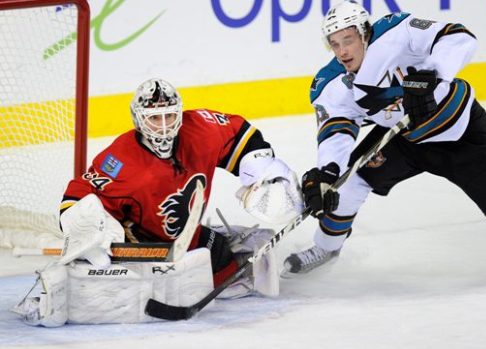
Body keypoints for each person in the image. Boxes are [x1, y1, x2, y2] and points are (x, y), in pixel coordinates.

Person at [281, 1, 486, 276]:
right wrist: (327, 172)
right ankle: (326, 249)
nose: (342, 51)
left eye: (348, 39)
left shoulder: (397, 30)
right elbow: (335, 132)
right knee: (346, 184)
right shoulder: (331, 85)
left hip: (461, 132)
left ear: (364, 32)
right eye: (334, 44)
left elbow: (459, 37)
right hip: (404, 140)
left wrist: (433, 73)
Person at [14, 78, 303, 326]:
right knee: (119, 284)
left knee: (219, 254)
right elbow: (79, 193)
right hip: (138, 245)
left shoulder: (200, 128)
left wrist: (262, 169)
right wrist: (86, 229)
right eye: (154, 118)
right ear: (139, 120)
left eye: (169, 116)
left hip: (185, 238)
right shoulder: (119, 160)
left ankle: (227, 264)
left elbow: (241, 134)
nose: (164, 126)